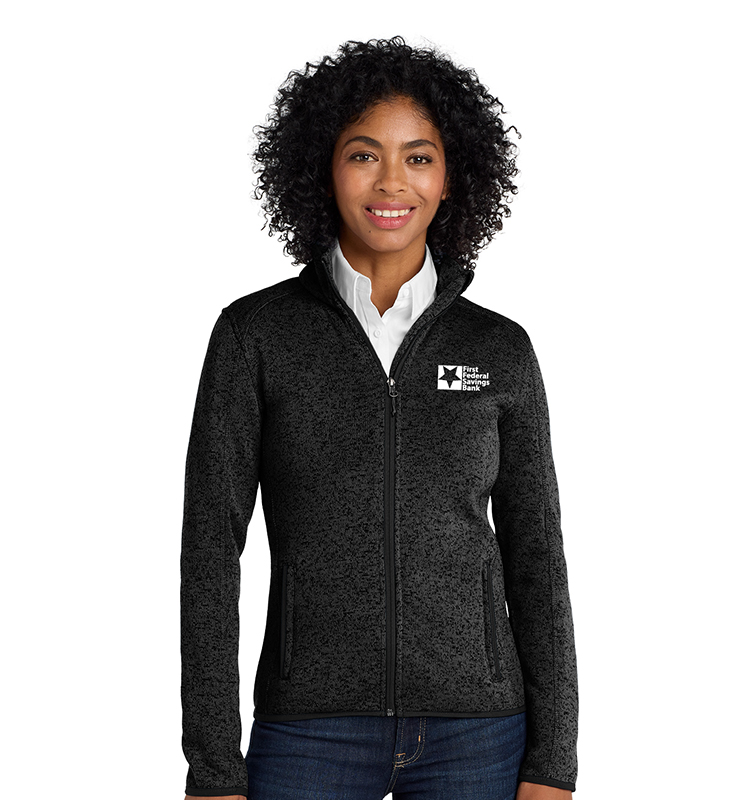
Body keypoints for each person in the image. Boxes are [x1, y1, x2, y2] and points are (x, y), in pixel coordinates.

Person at [180, 37, 578, 800]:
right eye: (363, 155)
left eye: (419, 158)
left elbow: (539, 557)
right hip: (309, 730)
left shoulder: (499, 348)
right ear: (323, 170)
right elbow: (208, 553)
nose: (392, 181)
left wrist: (553, 760)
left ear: (452, 176)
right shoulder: (255, 336)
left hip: (480, 733)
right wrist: (213, 765)